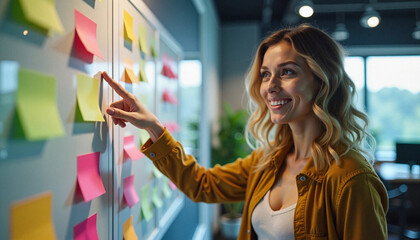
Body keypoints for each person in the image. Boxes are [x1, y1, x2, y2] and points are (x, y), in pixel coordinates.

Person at [102, 24, 388, 240]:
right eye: (265, 74)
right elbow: (202, 184)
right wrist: (152, 126)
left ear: (322, 80)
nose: (270, 86)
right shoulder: (268, 161)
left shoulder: (352, 178)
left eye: (287, 71)